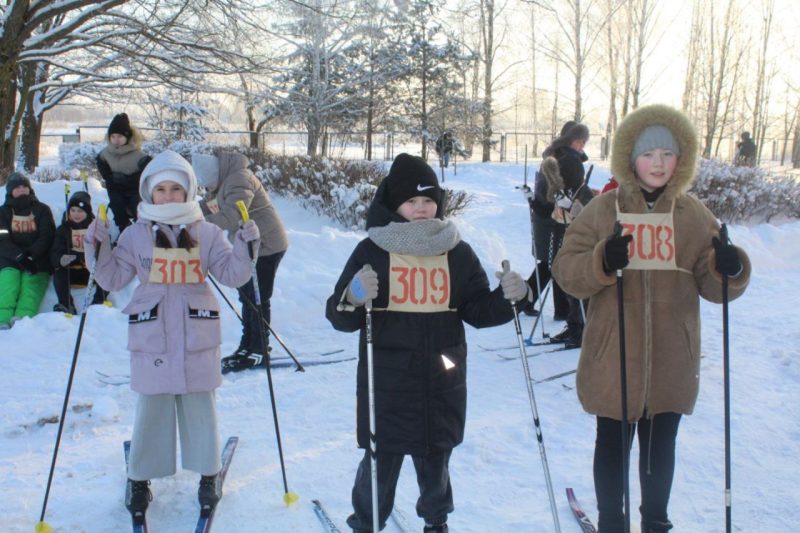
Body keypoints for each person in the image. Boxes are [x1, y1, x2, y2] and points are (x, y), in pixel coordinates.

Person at [552, 104, 751, 533]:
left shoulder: (693, 215)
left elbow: (713, 285)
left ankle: (655, 522)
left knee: (660, 449)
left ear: (681, 159)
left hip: (671, 361)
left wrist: (729, 268)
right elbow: (566, 271)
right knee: (611, 445)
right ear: (630, 158)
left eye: (667, 154)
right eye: (648, 154)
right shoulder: (605, 210)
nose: (658, 163)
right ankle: (612, 522)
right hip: (613, 360)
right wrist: (602, 259)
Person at [326, 153, 531, 533]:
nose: (421, 209)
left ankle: (436, 521)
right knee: (379, 464)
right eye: (411, 201)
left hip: (441, 380)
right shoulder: (373, 251)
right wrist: (352, 297)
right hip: (387, 385)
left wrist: (512, 297)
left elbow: (477, 310)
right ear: (394, 204)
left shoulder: (455, 251)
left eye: (428, 200)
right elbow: (339, 317)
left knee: (436, 462)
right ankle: (366, 522)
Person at [84, 150, 259, 524]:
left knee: (200, 408)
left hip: (197, 333)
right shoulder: (135, 233)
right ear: (149, 193)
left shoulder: (207, 232)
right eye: (160, 189)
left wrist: (245, 245)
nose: (167, 196)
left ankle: (208, 474)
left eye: (175, 189)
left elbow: (233, 274)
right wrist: (96, 246)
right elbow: (112, 278)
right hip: (154, 335)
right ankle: (140, 478)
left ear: (189, 191)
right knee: (152, 410)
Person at [192, 151, 289, 372]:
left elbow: (230, 216)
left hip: (266, 244)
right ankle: (247, 346)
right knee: (246, 296)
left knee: (258, 297)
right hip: (248, 246)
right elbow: (206, 209)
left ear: (215, 174)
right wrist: (184, 215)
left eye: (207, 185)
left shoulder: (239, 179)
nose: (206, 190)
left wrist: (194, 228)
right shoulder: (218, 185)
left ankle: (260, 349)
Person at [522, 121, 594, 346]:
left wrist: (564, 203)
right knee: (564, 273)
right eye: (579, 140)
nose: (581, 145)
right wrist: (537, 201)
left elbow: (579, 196)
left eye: (583, 141)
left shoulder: (557, 158)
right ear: (570, 140)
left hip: (565, 224)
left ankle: (578, 326)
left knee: (567, 273)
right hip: (561, 225)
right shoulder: (568, 161)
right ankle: (576, 326)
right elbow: (565, 197)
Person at [0, 173, 55, 329]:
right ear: (10, 191)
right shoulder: (2, 213)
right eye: (17, 187)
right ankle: (2, 319)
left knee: (31, 285)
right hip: (9, 258)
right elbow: (2, 240)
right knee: (8, 284)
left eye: (25, 186)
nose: (22, 189)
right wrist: (19, 256)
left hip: (37, 259)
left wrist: (31, 255)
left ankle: (22, 320)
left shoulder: (42, 209)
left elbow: (47, 235)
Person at [50, 191, 108, 314]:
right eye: (73, 210)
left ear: (87, 212)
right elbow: (55, 253)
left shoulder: (95, 228)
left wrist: (77, 255)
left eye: (80, 211)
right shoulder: (63, 229)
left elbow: (106, 251)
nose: (76, 214)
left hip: (92, 272)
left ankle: (98, 301)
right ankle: (66, 304)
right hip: (71, 272)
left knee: (107, 270)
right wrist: (64, 258)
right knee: (58, 271)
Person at [96, 113, 152, 233]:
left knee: (138, 207)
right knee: (116, 205)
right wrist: (110, 177)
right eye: (113, 136)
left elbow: (148, 171)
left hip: (134, 190)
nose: (116, 140)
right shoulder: (105, 154)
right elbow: (101, 165)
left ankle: (141, 230)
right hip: (116, 190)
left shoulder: (138, 155)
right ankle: (123, 229)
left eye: (120, 136)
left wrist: (131, 179)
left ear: (128, 137)